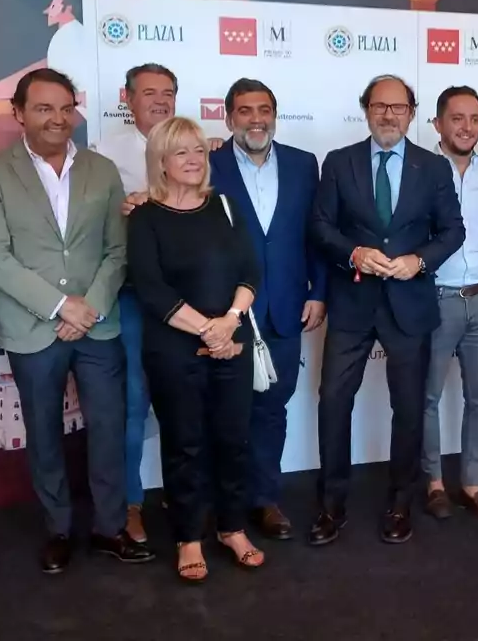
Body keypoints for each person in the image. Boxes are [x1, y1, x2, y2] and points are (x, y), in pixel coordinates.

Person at [0, 68, 153, 574]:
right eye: (43, 108)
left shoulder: (102, 169)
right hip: (34, 327)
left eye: (65, 108)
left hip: (98, 323)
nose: (57, 118)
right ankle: (57, 529)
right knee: (45, 432)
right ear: (19, 113)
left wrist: (87, 305)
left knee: (109, 428)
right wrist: (59, 306)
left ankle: (110, 527)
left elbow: (118, 251)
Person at [308, 74, 464, 546]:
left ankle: (400, 500)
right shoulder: (339, 162)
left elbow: (452, 231)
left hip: (409, 304)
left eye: (398, 107)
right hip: (353, 303)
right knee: (334, 402)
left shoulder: (432, 168)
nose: (389, 115)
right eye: (379, 106)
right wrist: (353, 253)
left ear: (412, 113)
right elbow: (320, 225)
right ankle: (332, 502)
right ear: (366, 110)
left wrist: (420, 261)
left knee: (410, 408)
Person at [127, 116, 266, 582]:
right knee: (185, 444)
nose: (193, 160)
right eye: (181, 152)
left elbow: (250, 271)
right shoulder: (145, 216)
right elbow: (150, 288)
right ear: (161, 162)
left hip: (233, 341)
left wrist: (229, 323)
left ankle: (231, 527)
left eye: (198, 151)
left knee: (233, 440)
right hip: (174, 350)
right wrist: (208, 330)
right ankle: (188, 536)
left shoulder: (224, 206)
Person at [209, 78, 326, 540]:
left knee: (271, 411)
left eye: (264, 110)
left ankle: (264, 499)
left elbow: (315, 233)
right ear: (229, 117)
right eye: (245, 111)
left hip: (284, 308)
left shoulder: (303, 164)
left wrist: (318, 292)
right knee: (224, 414)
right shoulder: (208, 164)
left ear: (274, 115)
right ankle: (226, 506)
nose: (255, 119)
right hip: (223, 314)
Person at [89, 62, 178, 544]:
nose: (160, 101)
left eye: (167, 93)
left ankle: (183, 495)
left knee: (183, 402)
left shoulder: (194, 146)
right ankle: (130, 503)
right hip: (131, 298)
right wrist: (122, 211)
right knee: (132, 404)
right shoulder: (103, 154)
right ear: (127, 97)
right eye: (149, 93)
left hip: (185, 301)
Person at [422, 86, 478, 522]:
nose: (467, 127)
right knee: (428, 398)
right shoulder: (418, 171)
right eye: (457, 118)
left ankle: (472, 482)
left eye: (474, 118)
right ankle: (434, 483)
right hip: (436, 300)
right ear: (437, 123)